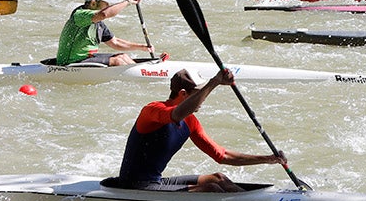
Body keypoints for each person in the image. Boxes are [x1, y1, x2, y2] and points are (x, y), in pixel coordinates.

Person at [103, 69, 286, 193]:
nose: (203, 99)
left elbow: (222, 156)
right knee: (212, 189)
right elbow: (175, 114)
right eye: (198, 93)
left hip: (155, 182)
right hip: (135, 187)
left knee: (219, 179)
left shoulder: (190, 122)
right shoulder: (152, 111)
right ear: (182, 94)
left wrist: (268, 159)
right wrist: (214, 82)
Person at [55, 0, 148, 66]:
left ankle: (143, 74)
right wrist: (128, 1)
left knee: (123, 56)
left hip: (87, 58)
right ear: (93, 3)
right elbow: (104, 14)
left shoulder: (98, 23)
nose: (108, 6)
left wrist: (142, 47)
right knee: (118, 61)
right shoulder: (79, 15)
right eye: (106, 3)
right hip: (69, 62)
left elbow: (115, 42)